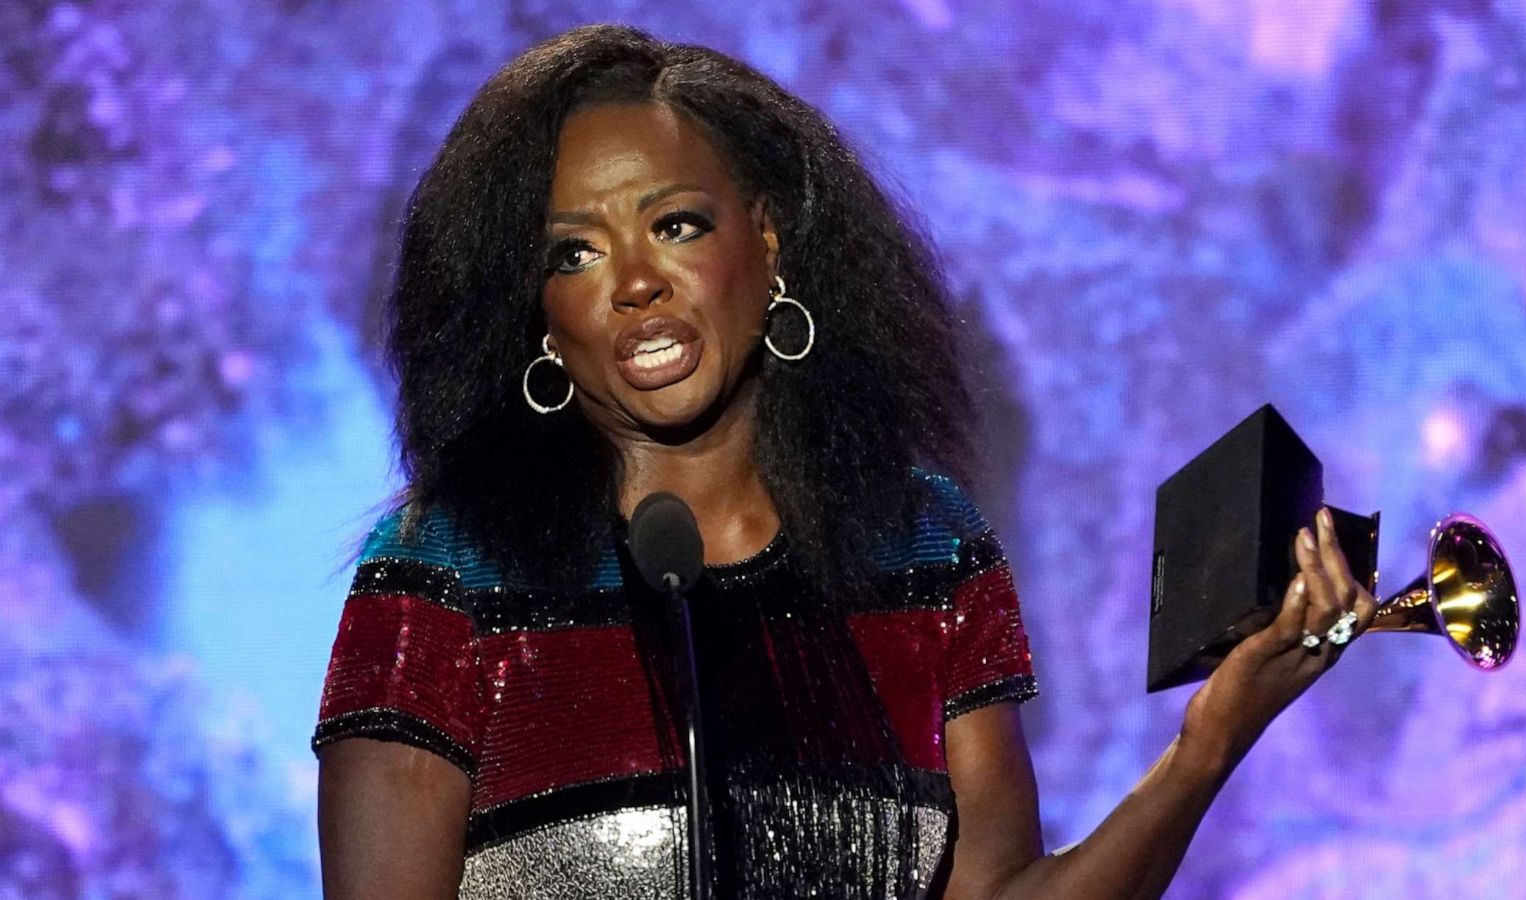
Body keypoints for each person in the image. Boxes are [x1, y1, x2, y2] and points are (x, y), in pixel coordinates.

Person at [312, 24, 1378, 900]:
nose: (633, 282)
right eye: (573, 254)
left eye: (676, 225)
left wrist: (1206, 745)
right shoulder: (447, 571)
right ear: (540, 316)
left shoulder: (921, 543)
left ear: (765, 241)